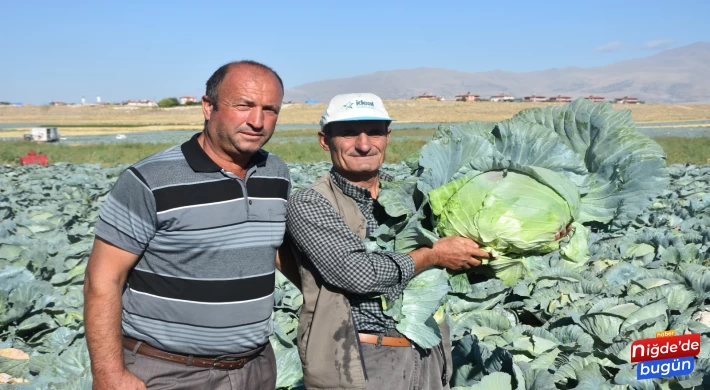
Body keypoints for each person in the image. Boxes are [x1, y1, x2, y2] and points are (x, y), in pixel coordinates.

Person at [84, 60, 300, 390]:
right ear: (208, 106)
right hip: (169, 370)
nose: (257, 121)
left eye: (270, 109)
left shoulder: (276, 172)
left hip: (255, 368)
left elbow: (270, 249)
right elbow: (102, 279)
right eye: (244, 105)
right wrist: (108, 373)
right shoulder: (150, 180)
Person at [285, 93, 493, 390]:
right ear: (324, 140)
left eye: (374, 132)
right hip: (361, 359)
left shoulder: (414, 195)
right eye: (347, 134)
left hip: (429, 352)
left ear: (388, 136)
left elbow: (461, 258)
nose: (364, 144)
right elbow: (358, 274)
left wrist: (528, 241)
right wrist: (432, 255)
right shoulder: (312, 203)